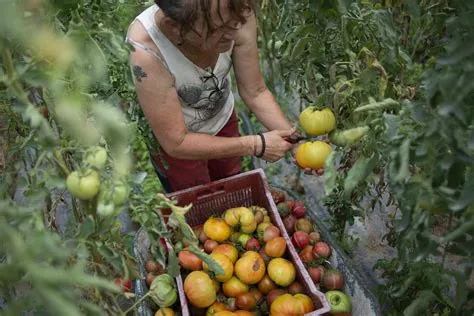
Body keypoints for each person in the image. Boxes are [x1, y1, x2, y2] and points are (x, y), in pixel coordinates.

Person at [126, 0, 297, 193]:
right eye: (218, 28)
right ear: (173, 26)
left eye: (235, 23)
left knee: (232, 182)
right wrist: (255, 144)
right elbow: (176, 142)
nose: (234, 35)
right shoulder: (146, 52)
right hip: (178, 142)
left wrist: (294, 140)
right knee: (196, 196)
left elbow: (255, 92)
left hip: (221, 118)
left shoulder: (237, 12)